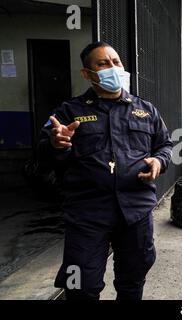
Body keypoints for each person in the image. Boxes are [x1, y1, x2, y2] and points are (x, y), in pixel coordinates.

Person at [38, 42, 173, 300]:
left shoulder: (146, 110)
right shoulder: (69, 111)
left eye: (116, 62)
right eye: (103, 64)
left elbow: (165, 145)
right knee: (80, 287)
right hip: (87, 214)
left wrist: (159, 161)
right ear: (87, 74)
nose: (113, 68)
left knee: (132, 282)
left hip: (136, 212)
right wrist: (57, 144)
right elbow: (43, 156)